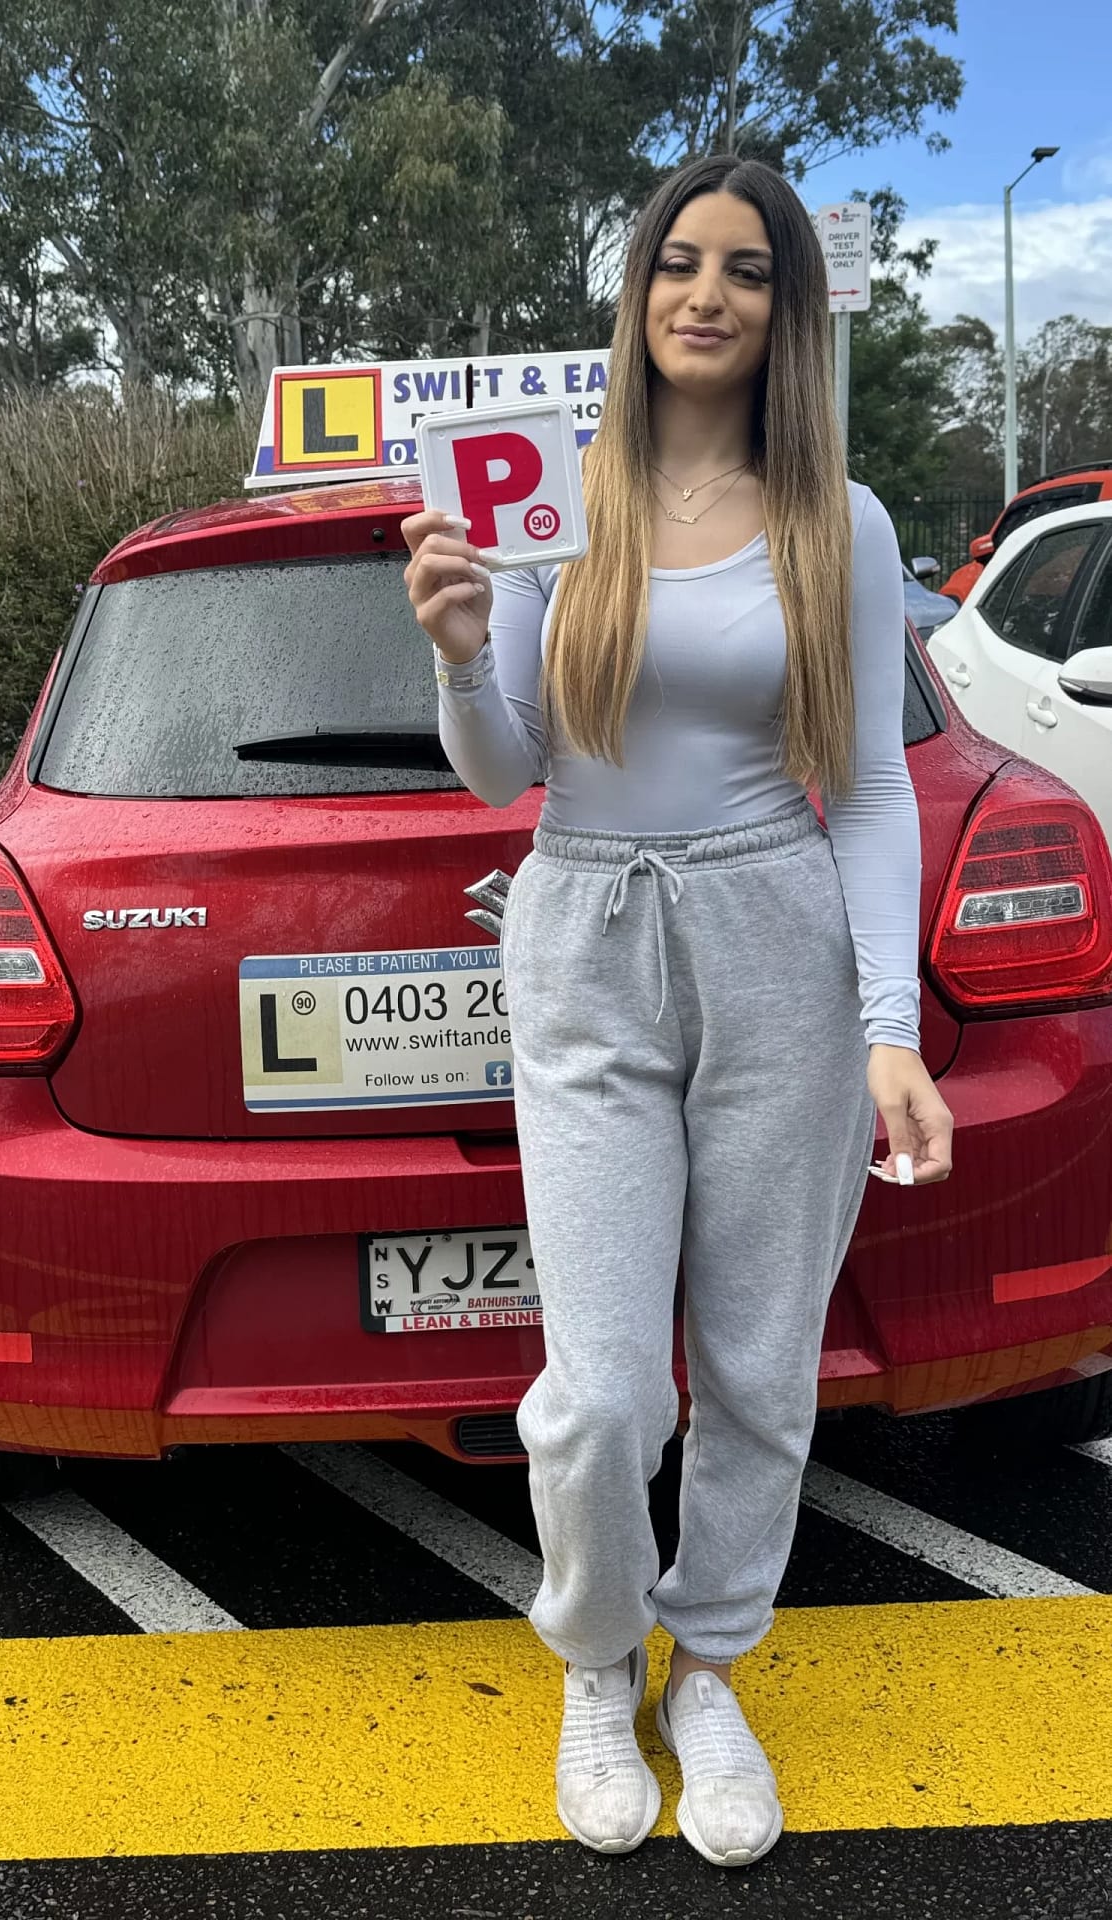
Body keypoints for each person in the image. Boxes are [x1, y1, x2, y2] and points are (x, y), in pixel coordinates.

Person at [401, 152, 954, 1870]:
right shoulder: (550, 498)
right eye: (677, 264)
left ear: (786, 311)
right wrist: (457, 645)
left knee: (758, 1366)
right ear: (636, 291)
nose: (705, 295)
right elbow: (500, 771)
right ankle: (595, 1659)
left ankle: (708, 1665)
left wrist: (887, 1027)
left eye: (746, 271)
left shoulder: (837, 519)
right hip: (583, 931)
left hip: (776, 933)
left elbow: (869, 790)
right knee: (597, 1397)